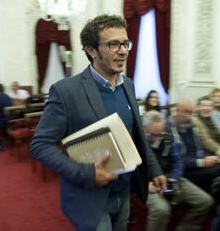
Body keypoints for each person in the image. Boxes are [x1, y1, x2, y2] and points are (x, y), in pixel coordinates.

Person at [31, 14, 166, 231]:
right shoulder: (66, 91)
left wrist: (155, 170)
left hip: (124, 193)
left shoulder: (128, 85)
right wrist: (86, 173)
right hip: (90, 199)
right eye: (113, 44)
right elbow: (40, 145)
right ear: (91, 50)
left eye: (125, 43)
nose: (123, 51)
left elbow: (136, 135)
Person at [143, 110, 214, 231]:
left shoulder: (168, 135)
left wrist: (174, 178)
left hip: (169, 177)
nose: (157, 139)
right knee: (162, 210)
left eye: (160, 134)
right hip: (148, 182)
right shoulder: (137, 140)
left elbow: (178, 160)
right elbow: (132, 169)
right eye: (153, 135)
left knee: (205, 201)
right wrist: (145, 185)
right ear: (144, 128)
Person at [170, 99, 220, 192]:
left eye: (192, 113)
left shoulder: (189, 126)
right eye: (186, 112)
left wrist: (209, 157)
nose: (189, 117)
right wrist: (201, 162)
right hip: (183, 169)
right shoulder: (169, 129)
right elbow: (175, 160)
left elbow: (197, 148)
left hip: (195, 162)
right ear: (177, 110)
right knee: (215, 172)